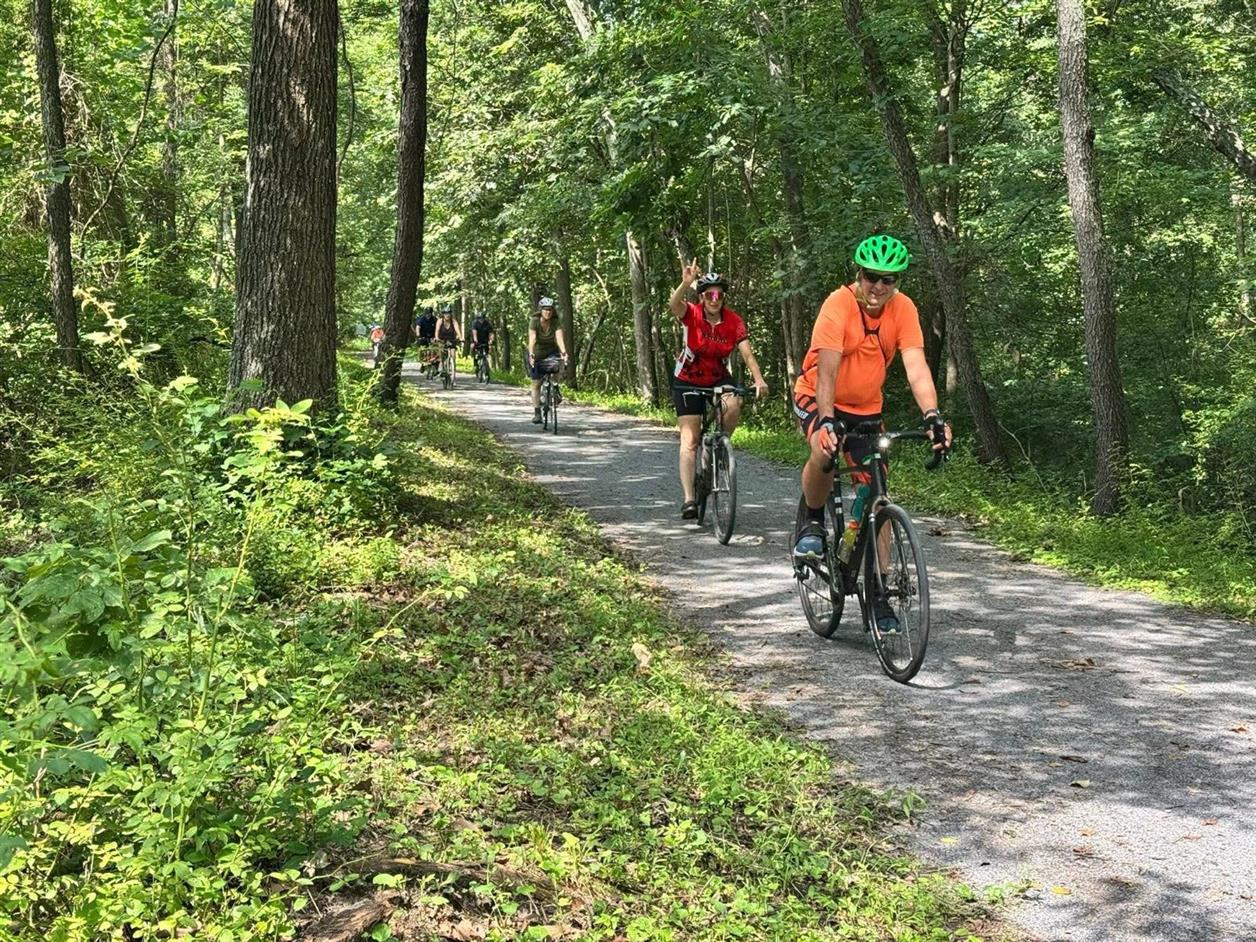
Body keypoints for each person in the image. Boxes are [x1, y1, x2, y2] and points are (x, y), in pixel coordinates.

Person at [791, 234, 952, 631]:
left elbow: (916, 366)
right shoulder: (838, 305)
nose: (878, 287)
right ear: (858, 274)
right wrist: (826, 421)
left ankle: (877, 593)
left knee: (878, 498)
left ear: (897, 282)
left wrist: (932, 415)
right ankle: (812, 520)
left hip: (867, 408)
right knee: (823, 449)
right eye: (871, 277)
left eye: (888, 280)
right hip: (818, 396)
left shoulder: (904, 310)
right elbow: (826, 370)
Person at [668, 261, 769, 519]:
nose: (715, 299)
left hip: (716, 376)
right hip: (688, 378)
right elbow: (674, 305)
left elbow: (747, 353)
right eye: (709, 294)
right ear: (702, 297)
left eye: (719, 295)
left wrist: (758, 379)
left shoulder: (733, 321)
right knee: (689, 441)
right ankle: (690, 499)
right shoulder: (692, 313)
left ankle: (720, 446)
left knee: (733, 404)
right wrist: (685, 283)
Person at [527, 297, 568, 423]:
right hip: (537, 352)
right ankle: (537, 413)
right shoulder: (534, 321)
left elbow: (559, 338)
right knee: (536, 383)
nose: (547, 312)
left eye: (550, 310)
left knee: (556, 366)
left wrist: (564, 352)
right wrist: (531, 354)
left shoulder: (556, 322)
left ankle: (555, 388)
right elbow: (532, 339)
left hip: (551, 351)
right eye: (545, 309)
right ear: (541, 310)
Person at [436, 306, 462, 377]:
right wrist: (437, 337)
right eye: (446, 313)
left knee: (453, 356)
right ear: (443, 314)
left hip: (451, 340)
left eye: (449, 313)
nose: (447, 315)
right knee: (441, 349)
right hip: (442, 339)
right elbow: (437, 330)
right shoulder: (440, 321)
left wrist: (461, 338)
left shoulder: (454, 321)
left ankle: (453, 375)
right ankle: (441, 363)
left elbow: (457, 330)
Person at [415, 307, 438, 376]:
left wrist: (436, 337)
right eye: (427, 313)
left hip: (432, 337)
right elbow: (418, 327)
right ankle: (422, 363)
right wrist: (418, 335)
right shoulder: (421, 319)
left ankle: (436, 366)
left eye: (429, 313)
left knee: (437, 350)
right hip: (423, 337)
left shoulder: (435, 319)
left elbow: (438, 328)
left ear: (431, 313)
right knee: (421, 349)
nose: (428, 315)